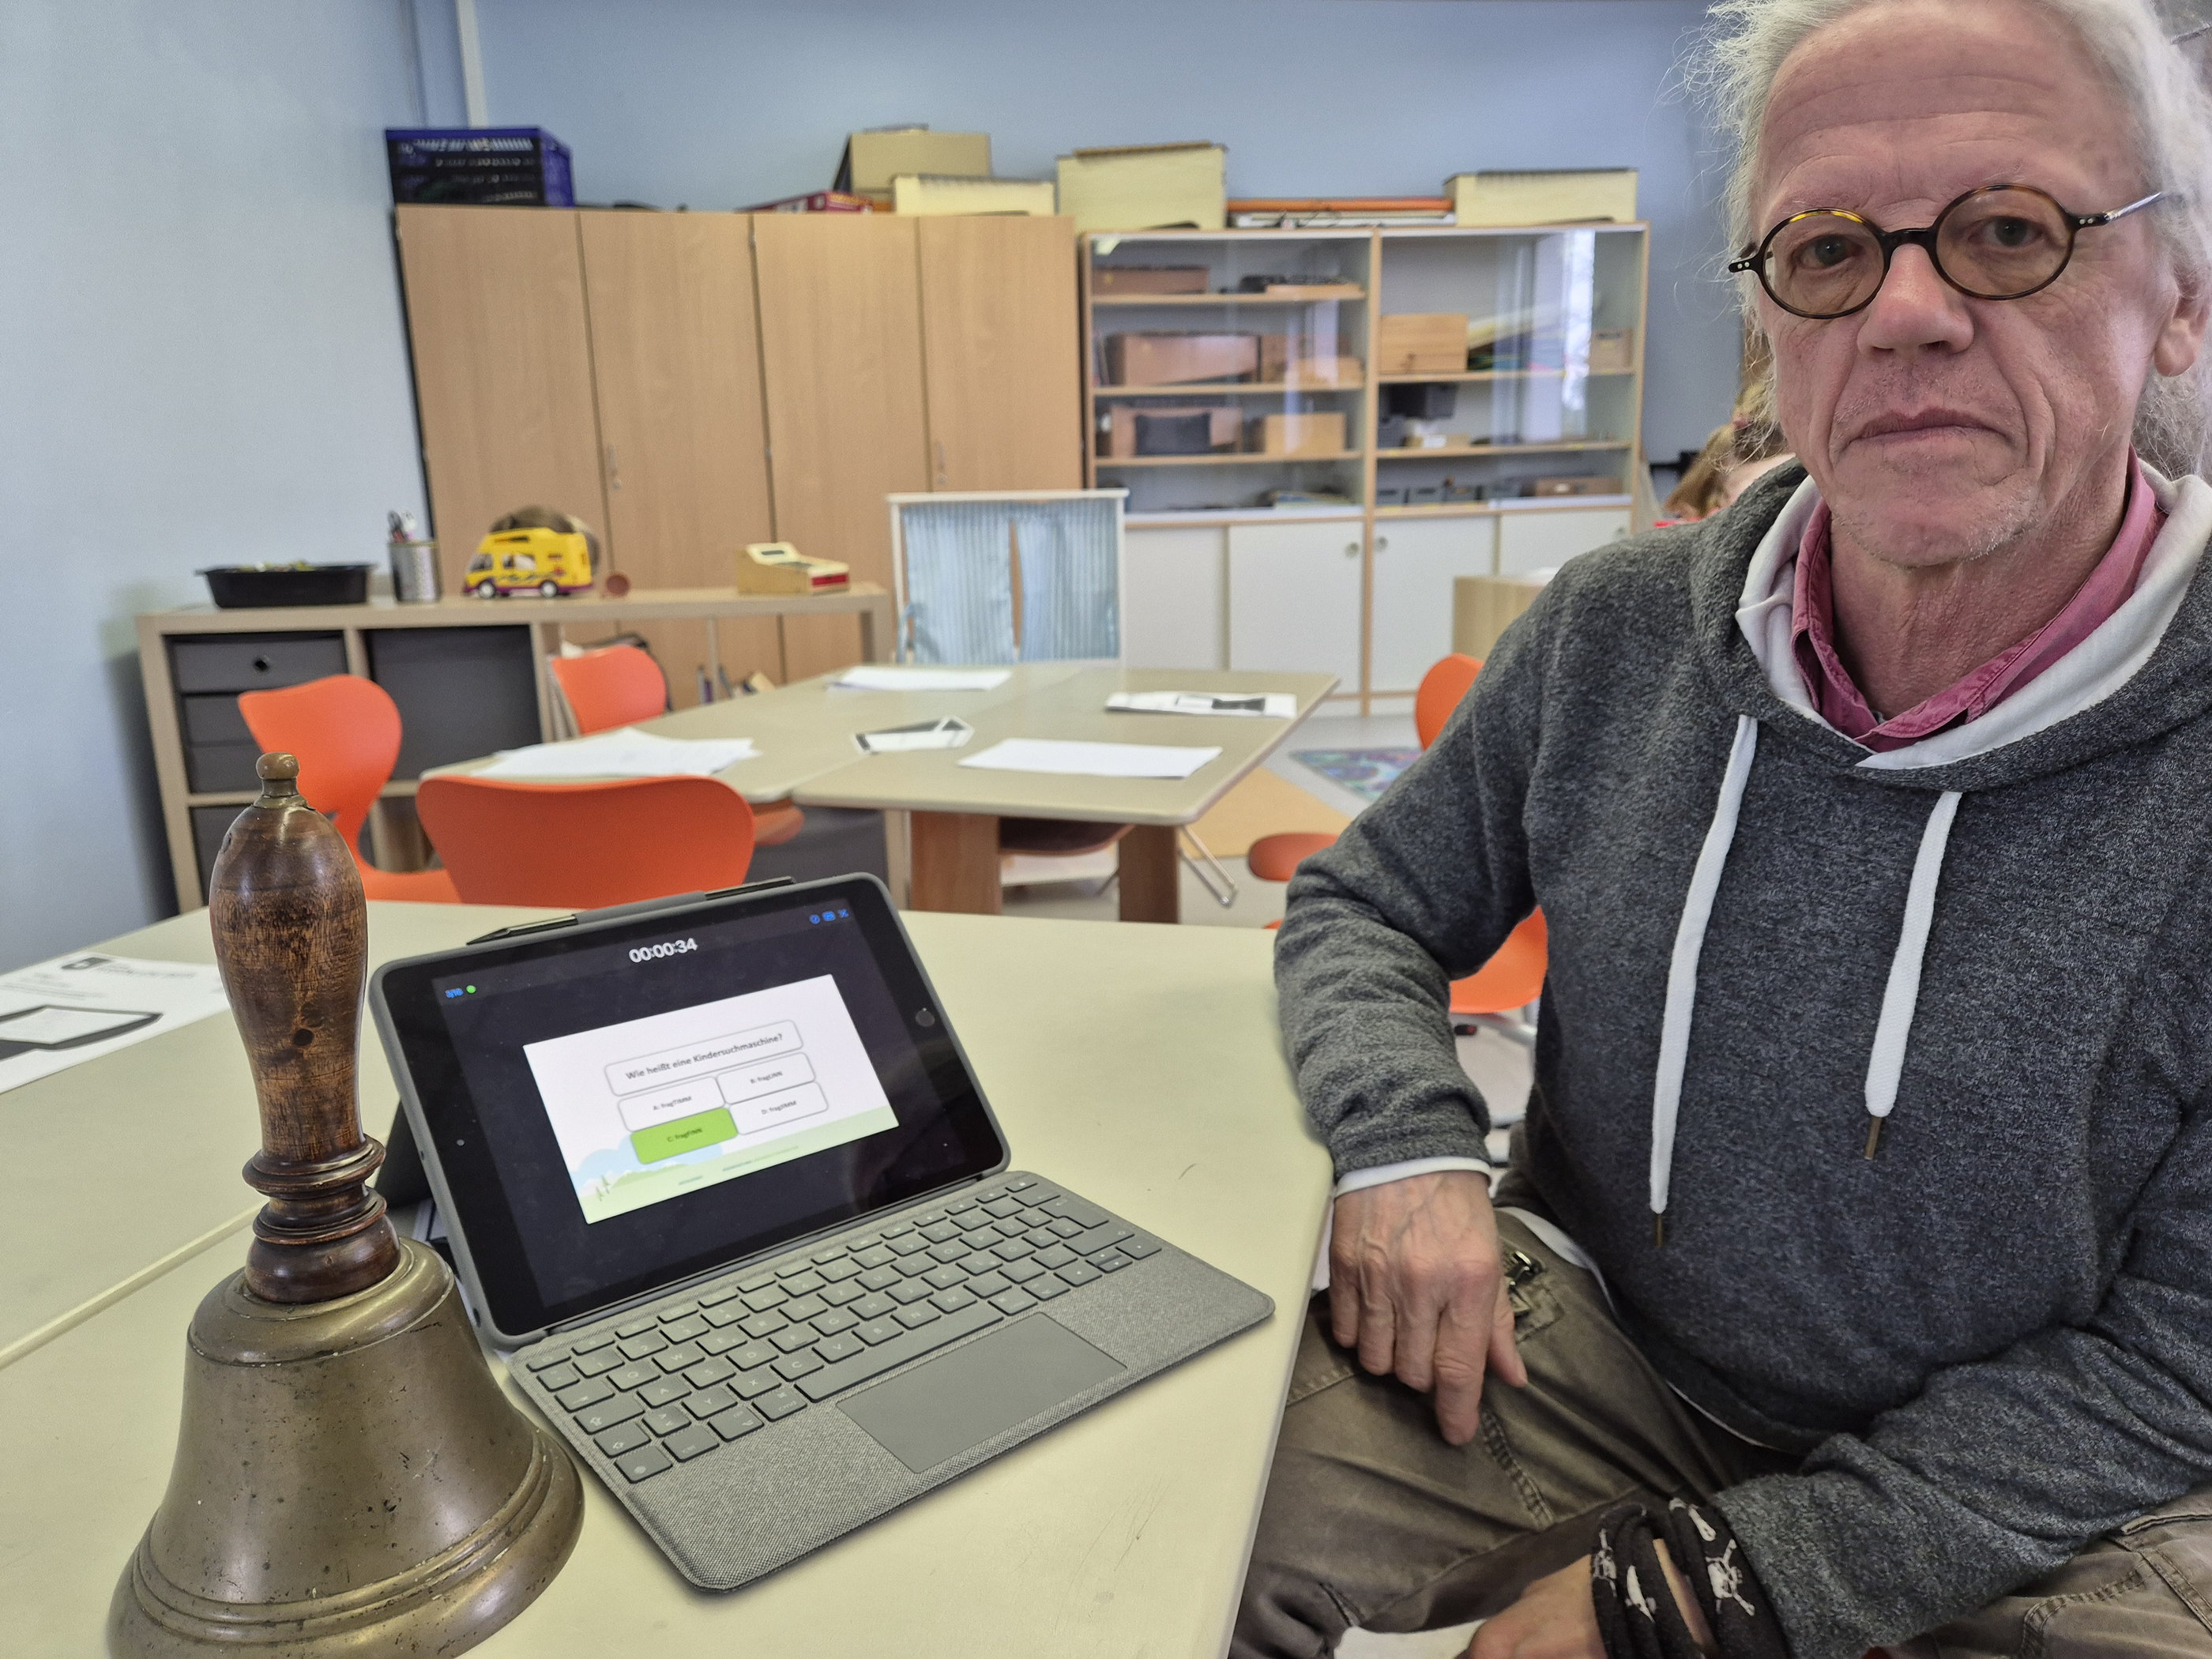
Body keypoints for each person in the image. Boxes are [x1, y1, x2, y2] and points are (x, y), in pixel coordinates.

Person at [1238, 1, 2212, 1655]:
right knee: (1168, 1517)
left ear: (2175, 299)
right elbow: (1362, 904)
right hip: (1601, 1358)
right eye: (1824, 250)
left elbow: (2178, 1363)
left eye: (2002, 231)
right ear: (1770, 321)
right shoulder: (1616, 634)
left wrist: (1692, 1595)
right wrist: (1405, 1148)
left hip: (2068, 1493)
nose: (1904, 311)